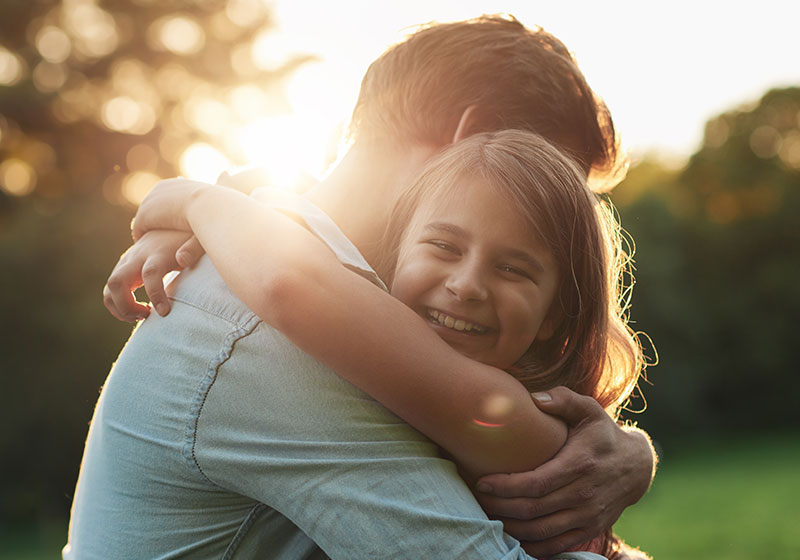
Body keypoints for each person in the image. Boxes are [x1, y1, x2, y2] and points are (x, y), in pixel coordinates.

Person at [68, 15, 655, 560]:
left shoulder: (344, 292)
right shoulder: (278, 336)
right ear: (472, 142)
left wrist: (629, 454)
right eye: (541, 180)